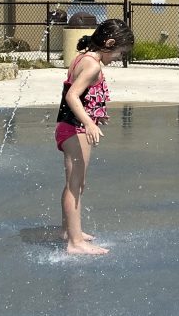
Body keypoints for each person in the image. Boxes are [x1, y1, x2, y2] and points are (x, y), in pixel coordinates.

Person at [56, 18, 133, 255]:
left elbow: (82, 95)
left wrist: (95, 114)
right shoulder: (93, 66)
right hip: (75, 129)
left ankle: (70, 231)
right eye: (119, 53)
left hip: (68, 127)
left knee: (77, 183)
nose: (118, 58)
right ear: (109, 43)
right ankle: (75, 243)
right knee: (75, 184)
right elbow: (72, 97)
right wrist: (89, 122)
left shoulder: (83, 57)